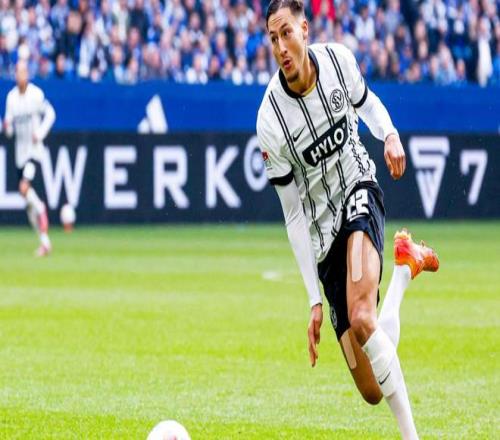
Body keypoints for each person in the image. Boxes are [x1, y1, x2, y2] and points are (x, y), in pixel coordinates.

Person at [256, 1, 439, 438]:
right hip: (324, 239)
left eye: (287, 33)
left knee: (361, 315)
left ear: (305, 29)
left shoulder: (338, 60)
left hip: (359, 190)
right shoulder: (270, 120)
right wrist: (313, 300)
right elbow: (293, 215)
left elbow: (368, 104)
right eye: (273, 39)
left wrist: (389, 134)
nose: (281, 47)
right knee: (372, 389)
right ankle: (404, 271)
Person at [4, 60, 56, 256]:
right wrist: (7, 127)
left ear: (28, 74)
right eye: (18, 72)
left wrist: (40, 133)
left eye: (23, 72)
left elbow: (50, 114)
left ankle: (41, 208)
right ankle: (45, 243)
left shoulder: (36, 94)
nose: (21, 76)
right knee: (28, 207)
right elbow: (9, 130)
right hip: (20, 154)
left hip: (34, 151)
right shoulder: (11, 98)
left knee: (24, 187)